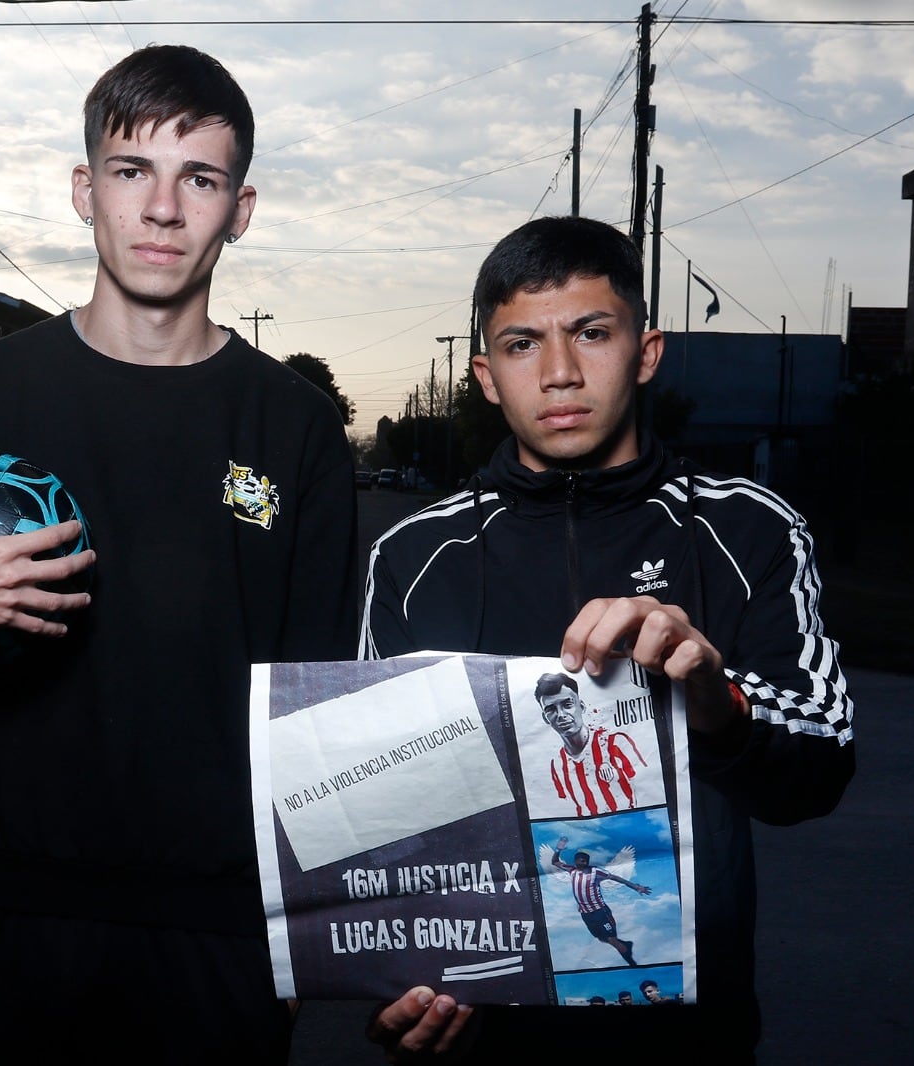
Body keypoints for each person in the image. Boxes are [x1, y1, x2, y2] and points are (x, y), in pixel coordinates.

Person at [0, 45, 357, 1064]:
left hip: (211, 934)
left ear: (240, 209)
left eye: (200, 179)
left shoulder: (297, 426)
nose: (162, 209)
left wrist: (293, 946)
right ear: (83, 190)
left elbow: (319, 713)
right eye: (131, 170)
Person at [360, 216, 854, 1060]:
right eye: (522, 344)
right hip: (479, 1036)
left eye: (591, 332)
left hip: (686, 1038)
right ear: (485, 376)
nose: (559, 372)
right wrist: (392, 982)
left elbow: (820, 766)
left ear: (646, 352)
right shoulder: (413, 556)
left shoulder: (750, 530)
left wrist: (715, 695)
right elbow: (379, 814)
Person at [535, 672, 649, 815]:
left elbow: (649, 787)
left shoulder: (615, 743)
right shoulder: (557, 765)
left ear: (581, 706)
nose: (561, 715)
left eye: (567, 704)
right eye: (551, 709)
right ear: (545, 718)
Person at [548, 841, 651, 966]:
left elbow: (615, 878)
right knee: (601, 938)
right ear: (576, 861)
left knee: (612, 939)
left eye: (586, 860)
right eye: (581, 860)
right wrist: (558, 849)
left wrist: (636, 887)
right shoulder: (571, 870)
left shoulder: (595, 871)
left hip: (600, 912)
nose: (584, 862)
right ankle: (626, 945)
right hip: (586, 914)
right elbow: (555, 862)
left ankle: (631, 962)